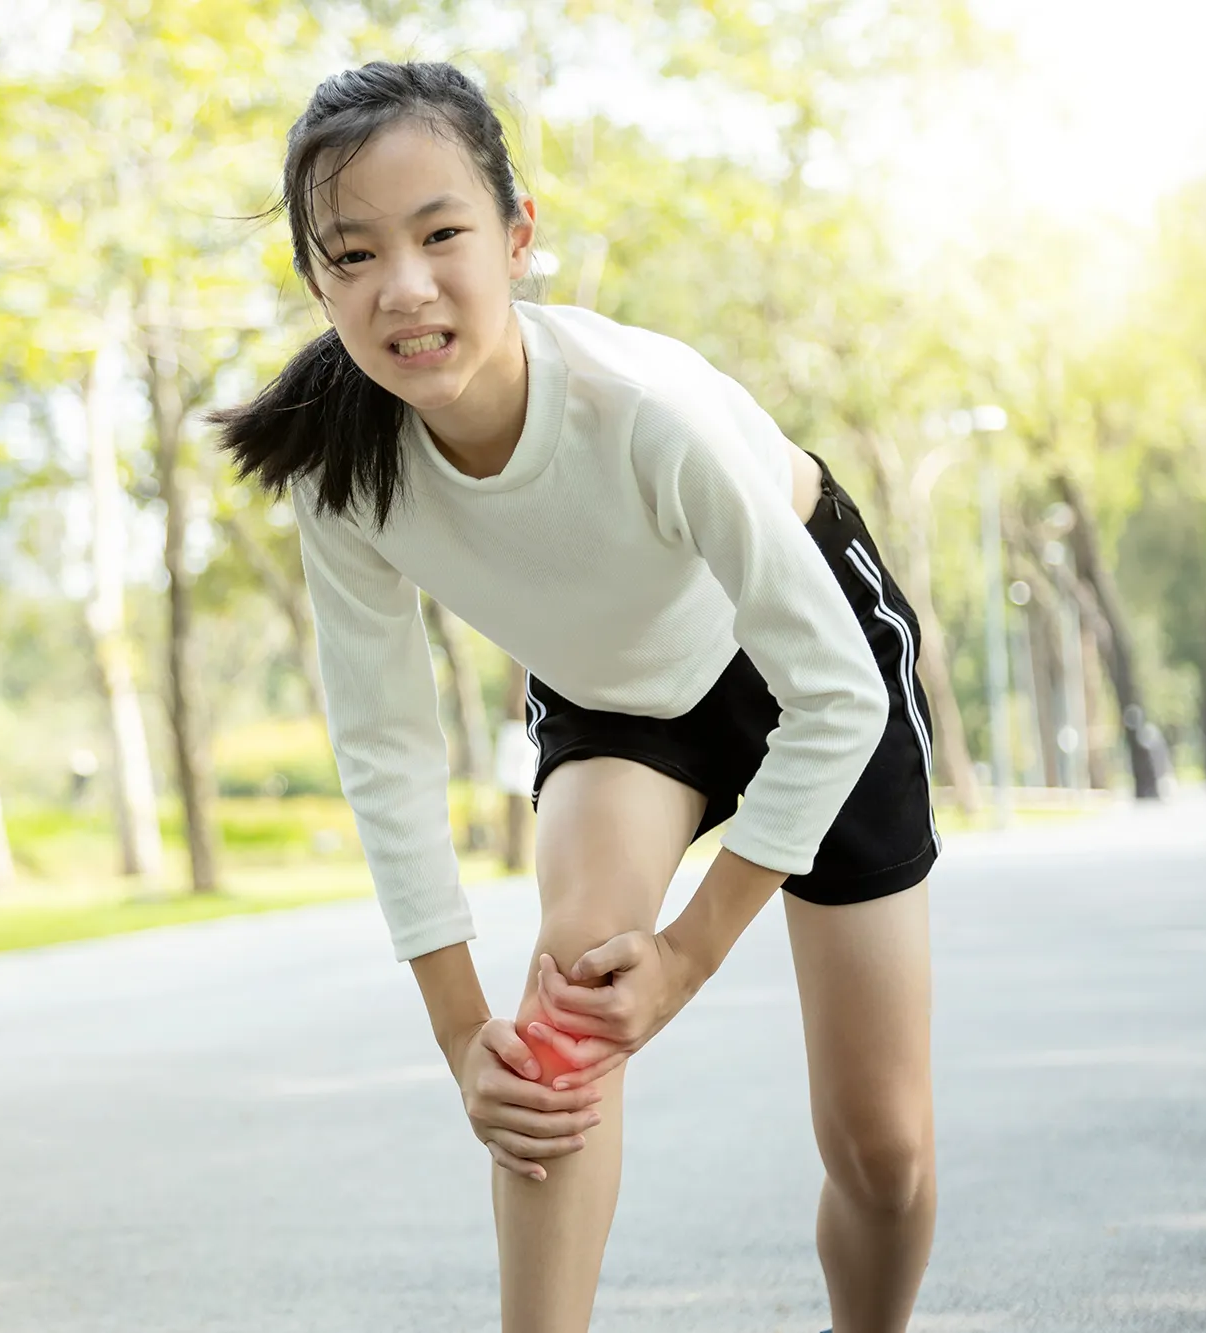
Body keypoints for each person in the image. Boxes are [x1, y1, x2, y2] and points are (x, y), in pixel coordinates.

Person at [213, 61, 939, 1333]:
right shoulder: (344, 476)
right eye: (354, 254)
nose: (406, 286)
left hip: (802, 664)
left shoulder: (641, 412)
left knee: (882, 1150)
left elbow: (835, 694)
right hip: (621, 702)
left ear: (516, 234)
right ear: (317, 283)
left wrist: (688, 954)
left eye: (442, 234)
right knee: (560, 1015)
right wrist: (460, 1039)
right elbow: (386, 752)